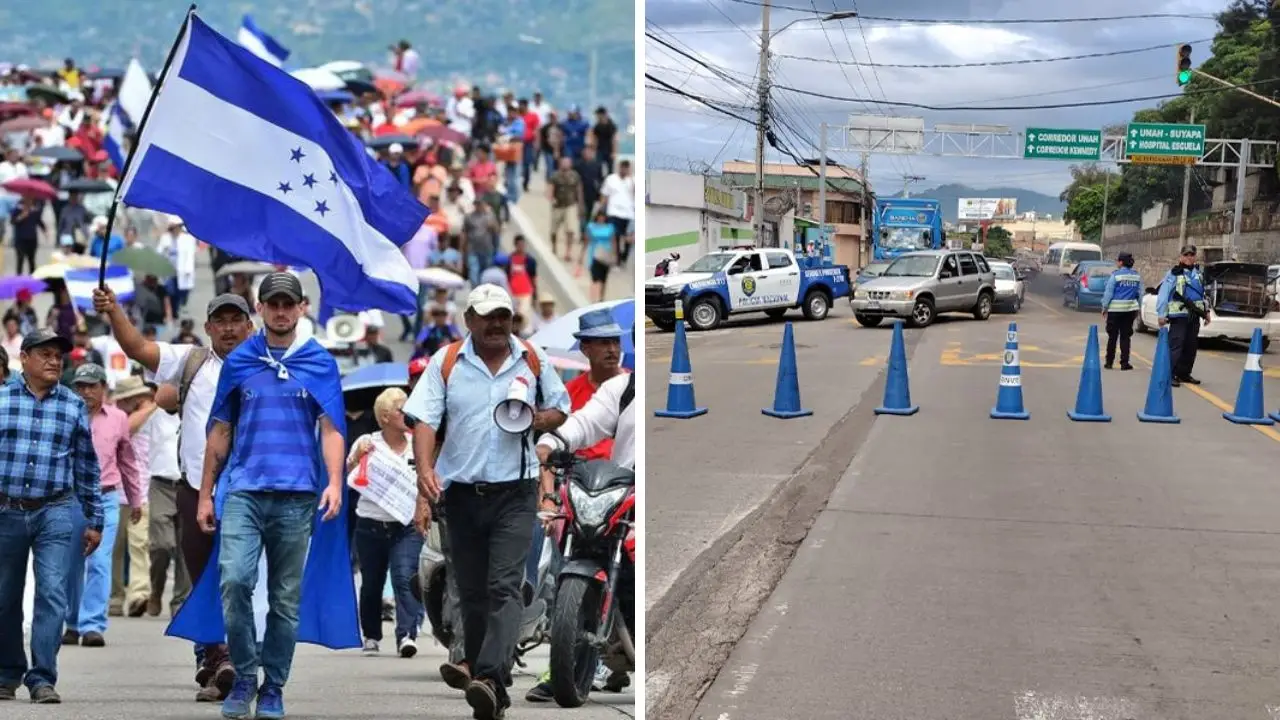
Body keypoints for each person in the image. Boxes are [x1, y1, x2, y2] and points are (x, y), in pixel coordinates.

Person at [404, 284, 569, 720]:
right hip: (460, 495)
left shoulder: (531, 358)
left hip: (515, 493)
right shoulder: (447, 361)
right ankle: (484, 680)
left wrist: (536, 418)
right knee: (472, 591)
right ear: (470, 320)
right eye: (488, 316)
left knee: (504, 587)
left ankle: (492, 676)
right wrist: (424, 470)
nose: (497, 324)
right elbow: (424, 420)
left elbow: (560, 407)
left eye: (504, 316)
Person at [194, 272, 351, 720]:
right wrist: (206, 494)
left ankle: (273, 687)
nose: (281, 311)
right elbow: (220, 430)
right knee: (235, 581)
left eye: (289, 303)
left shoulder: (319, 361)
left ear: (302, 308)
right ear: (260, 309)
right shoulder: (240, 361)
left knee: (284, 599)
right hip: (244, 490)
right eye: (272, 303)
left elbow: (331, 428)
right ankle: (244, 676)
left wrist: (334, 481)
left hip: (298, 495)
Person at [93, 285, 256, 702]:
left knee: (239, 578)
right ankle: (216, 657)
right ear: (207, 328)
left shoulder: (266, 364)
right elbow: (137, 348)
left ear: (250, 325)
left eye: (236, 320)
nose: (229, 328)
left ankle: (234, 659)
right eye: (220, 321)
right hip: (195, 489)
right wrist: (113, 312)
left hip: (253, 492)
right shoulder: (191, 361)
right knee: (204, 579)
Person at [525, 309, 628, 703]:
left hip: (620, 493)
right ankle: (561, 670)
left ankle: (613, 657)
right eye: (602, 342)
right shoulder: (573, 398)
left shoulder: (630, 385)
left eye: (615, 342)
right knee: (557, 577)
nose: (611, 349)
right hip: (578, 492)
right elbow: (562, 438)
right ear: (584, 347)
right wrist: (548, 497)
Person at [0, 330, 103, 704]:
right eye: (45, 354)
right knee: (4, 597)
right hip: (5, 510)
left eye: (58, 356)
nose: (54, 361)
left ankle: (42, 677)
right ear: (23, 358)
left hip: (56, 511)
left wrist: (94, 520)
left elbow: (87, 466)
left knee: (53, 594)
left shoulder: (73, 405)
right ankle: (7, 672)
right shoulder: (1, 399)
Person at [62, 363, 143, 648]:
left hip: (106, 497)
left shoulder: (118, 418)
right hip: (70, 497)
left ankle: (93, 624)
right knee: (71, 562)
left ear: (103, 388)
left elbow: (127, 461)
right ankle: (72, 622)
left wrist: (135, 499)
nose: (85, 392)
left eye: (91, 386)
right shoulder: (66, 413)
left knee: (99, 561)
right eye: (80, 386)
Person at [347, 388, 425, 658]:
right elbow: (349, 471)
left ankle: (407, 634)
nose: (407, 414)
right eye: (400, 409)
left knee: (405, 577)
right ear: (385, 416)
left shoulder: (417, 442)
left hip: (406, 525)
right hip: (370, 523)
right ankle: (371, 635)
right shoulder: (368, 441)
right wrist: (358, 456)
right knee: (372, 583)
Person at [114, 376, 189, 617]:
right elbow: (126, 429)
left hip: (187, 484)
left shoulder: (193, 412)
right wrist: (153, 405)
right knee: (161, 545)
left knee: (184, 549)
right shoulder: (151, 414)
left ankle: (178, 602)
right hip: (157, 486)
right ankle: (153, 591)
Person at [1156, 244, 1210, 387]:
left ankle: (1184, 373)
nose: (1189, 257)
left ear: (1195, 257)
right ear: (1181, 257)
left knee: (1191, 346)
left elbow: (1203, 295)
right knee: (1176, 346)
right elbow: (1163, 294)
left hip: (1194, 315)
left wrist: (1207, 313)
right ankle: (1171, 373)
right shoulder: (1174, 273)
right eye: (1186, 255)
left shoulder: (1198, 274)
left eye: (1191, 255)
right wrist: (1161, 314)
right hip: (1179, 315)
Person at [1100, 252, 1142, 371]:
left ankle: (1109, 362)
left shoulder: (1116, 276)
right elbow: (1140, 294)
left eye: (1118, 261)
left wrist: (1104, 307)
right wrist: (1138, 308)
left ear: (1121, 262)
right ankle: (1124, 363)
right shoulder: (1136, 276)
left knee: (1112, 337)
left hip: (1115, 311)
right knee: (1125, 337)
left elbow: (1109, 293)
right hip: (1129, 311)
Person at [584, 209, 618, 302]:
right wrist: (582, 254)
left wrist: (615, 255)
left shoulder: (610, 227)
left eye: (603, 216)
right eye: (600, 216)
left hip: (605, 254)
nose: (601, 218)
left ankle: (601, 298)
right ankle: (593, 298)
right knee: (595, 277)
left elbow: (613, 241)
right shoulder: (591, 226)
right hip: (593, 253)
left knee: (603, 278)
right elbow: (587, 240)